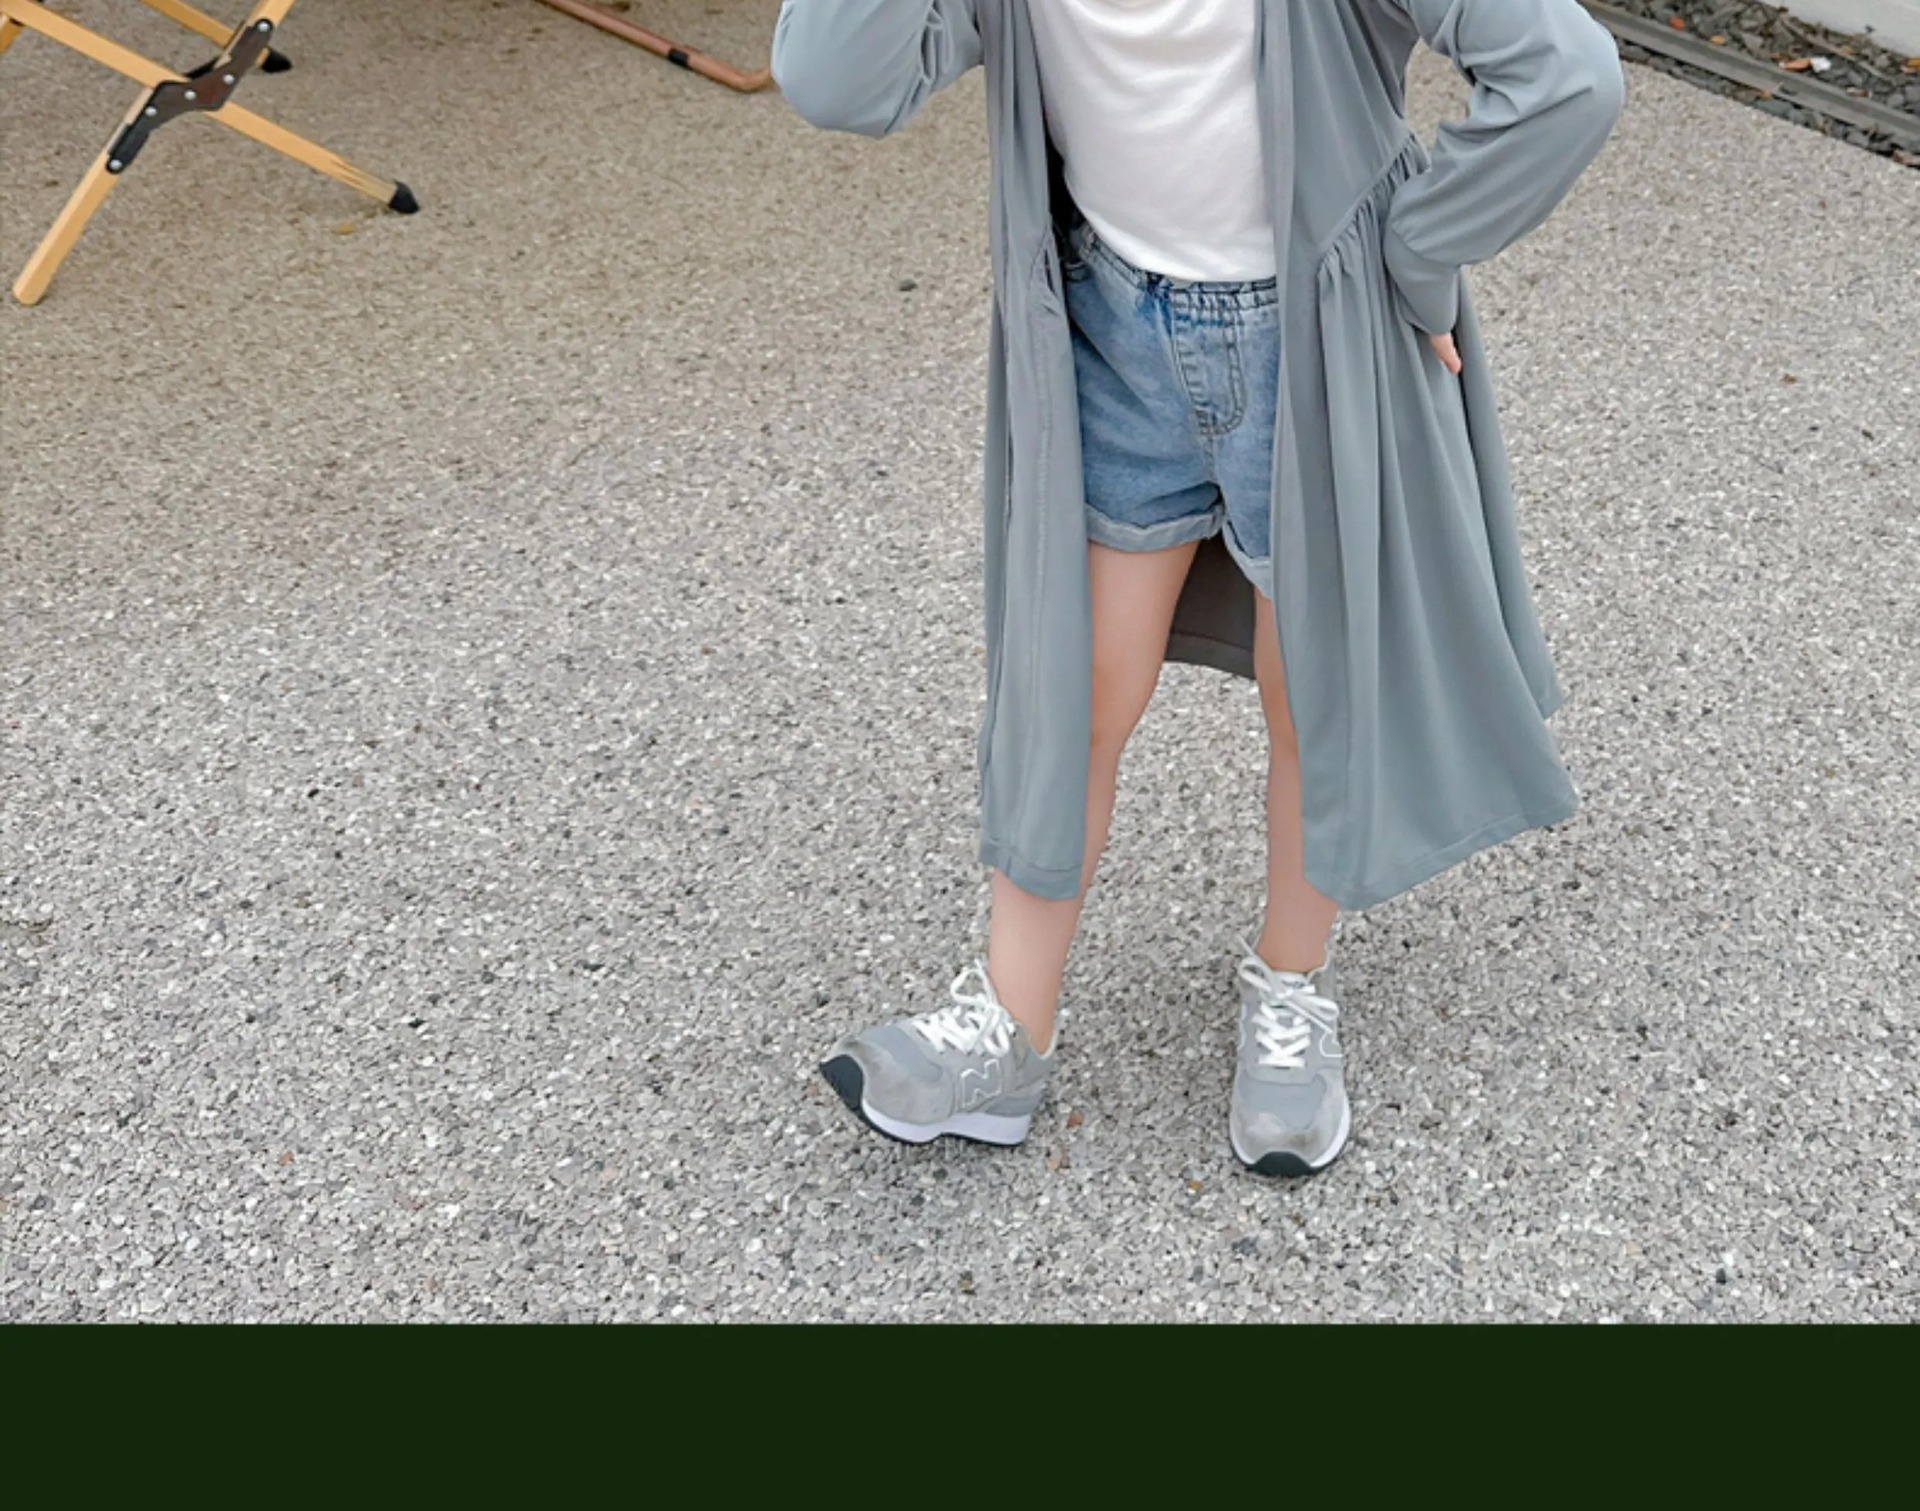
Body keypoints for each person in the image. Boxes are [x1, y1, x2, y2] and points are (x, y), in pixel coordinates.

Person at [772, 0, 1625, 1175]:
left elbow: (1568, 77)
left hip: (1312, 339)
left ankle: (1291, 988)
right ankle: (1009, 1026)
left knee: (1311, 686)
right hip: (1111, 329)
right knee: (1074, 687)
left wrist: (1418, 250)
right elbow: (835, 76)